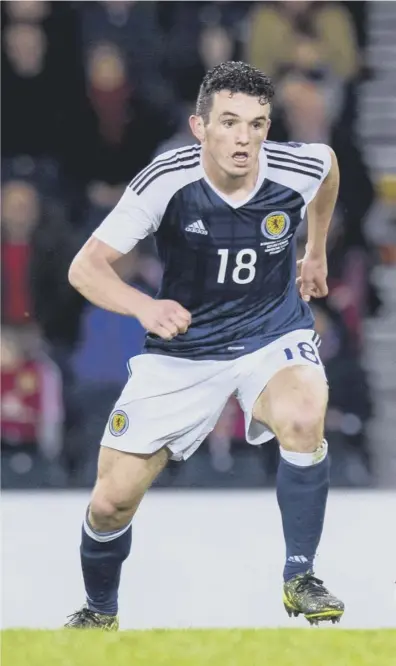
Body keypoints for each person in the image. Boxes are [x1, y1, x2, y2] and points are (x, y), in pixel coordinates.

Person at [65, 61, 344, 630]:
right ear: (200, 127)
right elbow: (85, 269)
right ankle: (99, 613)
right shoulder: (166, 180)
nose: (244, 139)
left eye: (258, 124)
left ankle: (301, 576)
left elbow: (329, 168)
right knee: (110, 501)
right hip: (184, 351)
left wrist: (315, 250)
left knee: (304, 410)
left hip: (272, 334)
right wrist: (145, 306)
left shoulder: (295, 165)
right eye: (230, 123)